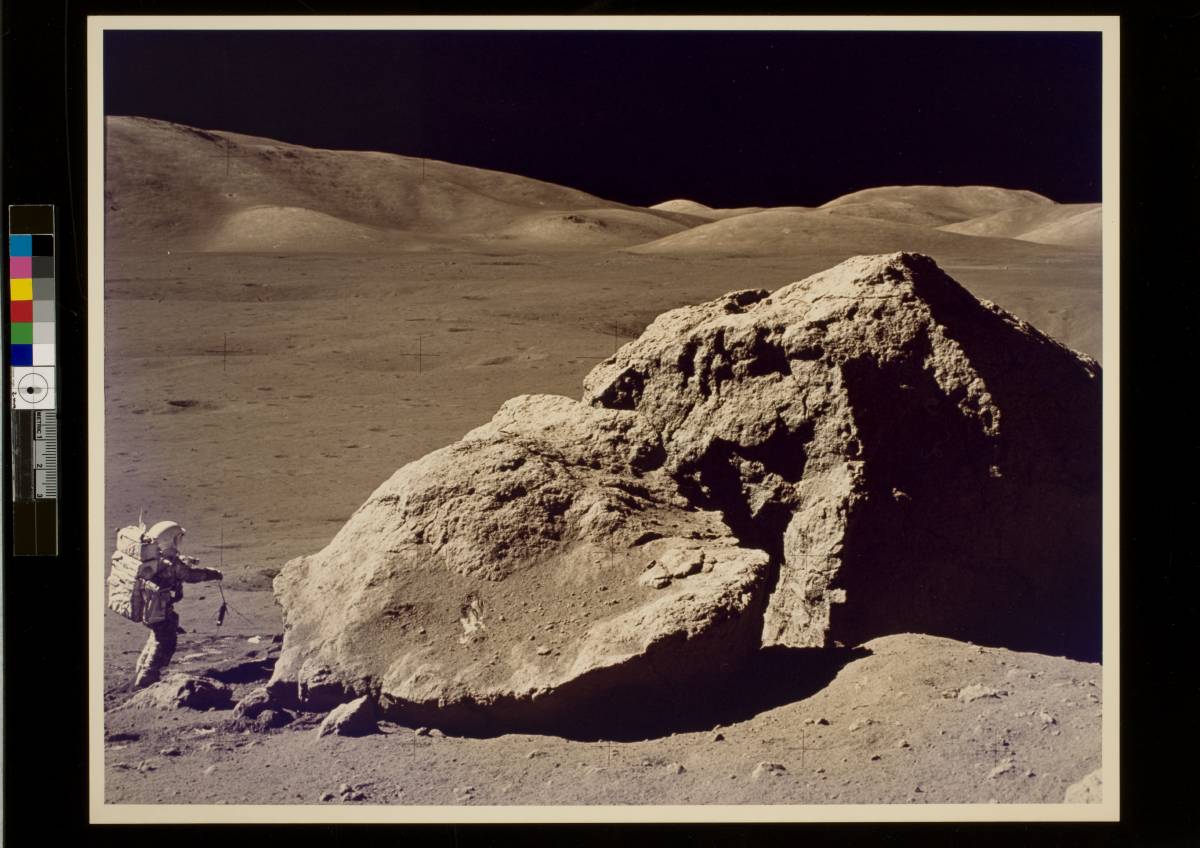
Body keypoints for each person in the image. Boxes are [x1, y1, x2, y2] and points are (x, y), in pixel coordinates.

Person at [132, 520, 224, 689]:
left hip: (150, 608)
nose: (179, 543)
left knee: (158, 635)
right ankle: (148, 675)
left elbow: (176, 566)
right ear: (169, 540)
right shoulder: (171, 564)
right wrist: (212, 574)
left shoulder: (155, 559)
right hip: (158, 609)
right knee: (166, 640)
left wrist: (184, 560)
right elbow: (189, 575)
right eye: (177, 539)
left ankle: (142, 668)